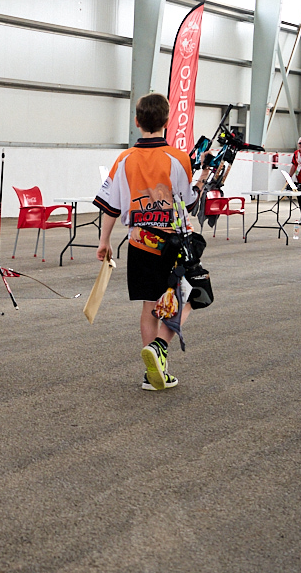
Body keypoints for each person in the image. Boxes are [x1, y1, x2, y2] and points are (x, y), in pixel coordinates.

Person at [94, 93, 199, 392]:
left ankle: (152, 373)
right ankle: (159, 346)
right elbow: (188, 202)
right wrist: (202, 178)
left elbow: (111, 206)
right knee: (191, 295)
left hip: (140, 242)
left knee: (149, 305)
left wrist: (104, 241)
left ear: (137, 121)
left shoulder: (124, 159)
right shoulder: (178, 158)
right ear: (167, 121)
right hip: (173, 244)